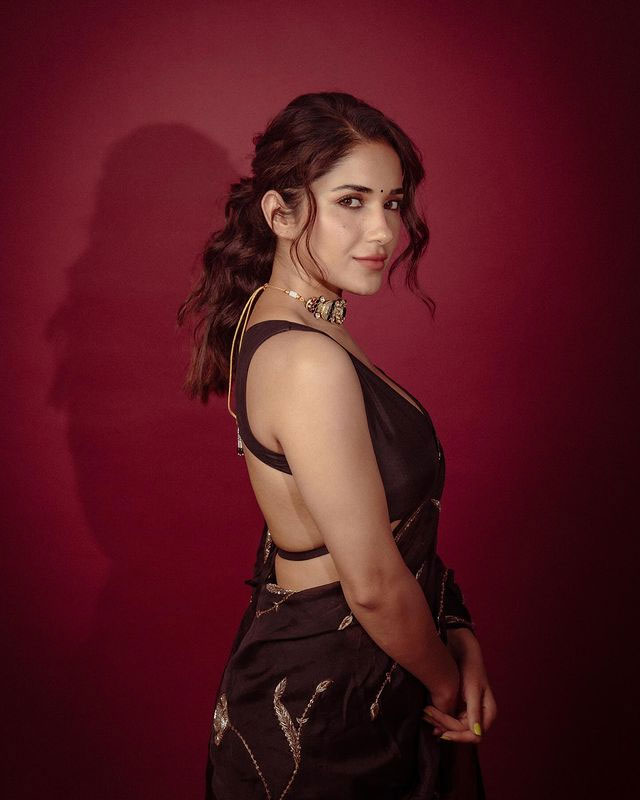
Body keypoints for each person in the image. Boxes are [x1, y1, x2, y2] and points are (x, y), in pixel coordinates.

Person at [177, 91, 497, 800]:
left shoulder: (298, 320)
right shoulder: (306, 358)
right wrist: (446, 685)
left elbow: (389, 539)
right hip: (326, 719)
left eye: (393, 202)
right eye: (351, 201)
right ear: (281, 213)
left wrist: (456, 629)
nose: (383, 230)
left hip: (360, 679)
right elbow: (373, 585)